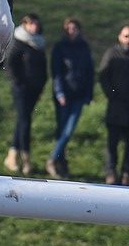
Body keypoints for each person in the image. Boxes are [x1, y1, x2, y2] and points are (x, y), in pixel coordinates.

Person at [46, 17, 94, 178]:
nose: (72, 31)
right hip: (64, 95)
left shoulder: (84, 47)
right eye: (69, 28)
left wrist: (89, 94)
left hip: (79, 95)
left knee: (68, 130)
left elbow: (90, 72)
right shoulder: (60, 47)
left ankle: (53, 160)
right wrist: (59, 93)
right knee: (62, 132)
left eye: (74, 28)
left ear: (79, 30)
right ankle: (58, 163)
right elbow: (57, 73)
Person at [3, 13, 47, 176]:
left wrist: (41, 85)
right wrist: (19, 83)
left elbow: (43, 67)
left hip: (35, 90)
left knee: (23, 120)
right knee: (25, 120)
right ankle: (25, 158)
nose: (34, 26)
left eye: (36, 23)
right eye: (31, 23)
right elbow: (10, 65)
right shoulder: (18, 42)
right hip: (21, 89)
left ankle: (12, 155)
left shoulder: (40, 43)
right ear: (25, 24)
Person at [98, 25, 129, 185]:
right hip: (116, 106)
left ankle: (126, 174)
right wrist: (111, 93)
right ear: (120, 37)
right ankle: (110, 172)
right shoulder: (112, 53)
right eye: (126, 36)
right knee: (112, 143)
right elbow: (103, 75)